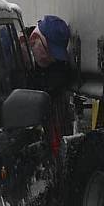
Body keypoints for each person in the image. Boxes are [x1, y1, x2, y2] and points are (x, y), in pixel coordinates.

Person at [29, 15, 72, 156]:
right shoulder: (10, 60)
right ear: (33, 39)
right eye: (49, 52)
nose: (52, 59)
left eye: (56, 55)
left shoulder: (57, 71)